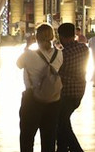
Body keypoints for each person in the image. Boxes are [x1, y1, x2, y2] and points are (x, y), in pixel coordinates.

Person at [18, 24, 64, 152]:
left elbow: (18, 64)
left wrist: (28, 46)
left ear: (36, 37)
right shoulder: (59, 54)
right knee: (49, 137)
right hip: (53, 100)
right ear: (52, 36)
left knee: (27, 137)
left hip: (32, 99)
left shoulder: (29, 55)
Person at [57, 23, 88, 152]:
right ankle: (62, 148)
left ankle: (75, 149)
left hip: (66, 93)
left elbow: (56, 71)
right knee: (63, 122)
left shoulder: (62, 54)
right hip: (79, 91)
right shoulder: (84, 48)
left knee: (61, 122)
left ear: (62, 36)